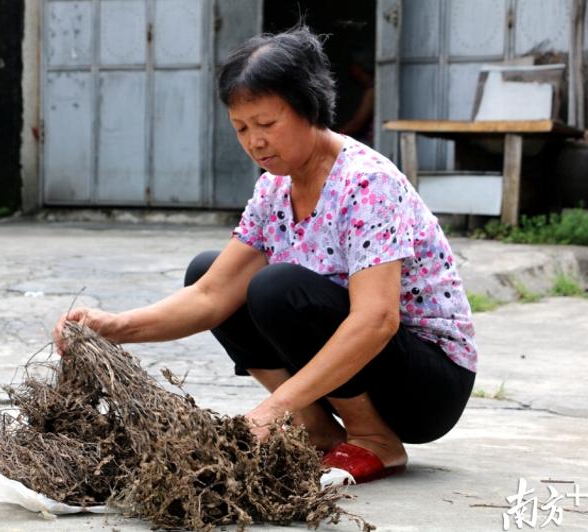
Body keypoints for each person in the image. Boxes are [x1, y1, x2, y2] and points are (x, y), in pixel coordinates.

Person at [53, 26, 476, 485]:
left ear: (309, 108)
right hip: (367, 369)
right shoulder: (275, 187)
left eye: (267, 124)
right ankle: (316, 433)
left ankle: (374, 439)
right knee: (209, 269)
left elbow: (377, 320)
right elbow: (211, 294)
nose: (255, 142)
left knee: (277, 288)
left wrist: (271, 409)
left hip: (425, 386)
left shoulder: (365, 181)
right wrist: (115, 327)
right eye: (241, 128)